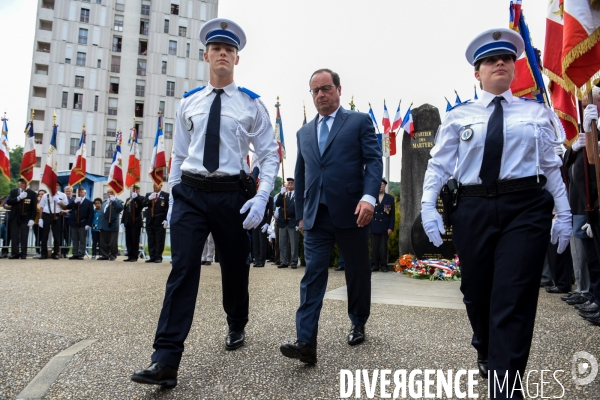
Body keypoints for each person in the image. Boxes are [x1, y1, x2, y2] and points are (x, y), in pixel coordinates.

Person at [420, 28, 572, 397]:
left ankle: (506, 388)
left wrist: (564, 213)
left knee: (514, 296)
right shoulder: (459, 116)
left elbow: (551, 167)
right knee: (476, 292)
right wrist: (428, 205)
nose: (499, 63)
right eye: (490, 60)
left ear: (515, 67)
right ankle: (485, 345)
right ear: (478, 73)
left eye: (506, 58)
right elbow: (439, 166)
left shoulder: (537, 113)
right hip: (473, 207)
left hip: (526, 207)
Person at [131, 18, 279, 388]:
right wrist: (174, 194)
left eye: (229, 50)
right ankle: (165, 359)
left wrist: (262, 197)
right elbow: (179, 155)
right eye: (217, 49)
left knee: (234, 266)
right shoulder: (189, 103)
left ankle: (236, 322)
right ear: (206, 55)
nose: (223, 54)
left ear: (237, 59)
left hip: (232, 195)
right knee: (182, 270)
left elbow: (269, 155)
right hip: (192, 195)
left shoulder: (252, 105)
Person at [279, 68, 382, 364]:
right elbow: (300, 175)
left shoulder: (359, 122)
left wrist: (368, 198)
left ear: (338, 89)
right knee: (312, 276)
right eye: (315, 91)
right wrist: (300, 215)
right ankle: (305, 341)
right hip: (315, 216)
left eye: (326, 88)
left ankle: (358, 320)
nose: (321, 94)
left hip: (353, 212)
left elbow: (374, 162)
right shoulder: (304, 133)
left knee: (357, 271)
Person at [564, 86, 600, 324]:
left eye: (590, 103)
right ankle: (595, 298)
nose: (586, 107)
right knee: (591, 256)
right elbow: (575, 165)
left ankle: (594, 296)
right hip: (584, 205)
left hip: (593, 203)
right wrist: (575, 147)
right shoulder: (587, 130)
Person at [5, 178, 38, 259]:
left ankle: (23, 253)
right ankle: (14, 253)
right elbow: (9, 201)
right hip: (15, 216)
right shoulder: (14, 191)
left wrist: (32, 219)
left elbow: (34, 208)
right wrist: (19, 198)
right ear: (19, 184)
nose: (23, 184)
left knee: (24, 235)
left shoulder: (32, 193)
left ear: (28, 184)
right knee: (14, 235)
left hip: (26, 216)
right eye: (21, 183)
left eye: (24, 183)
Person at [369, 178, 395, 272]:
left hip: (384, 226)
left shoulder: (389, 198)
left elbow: (391, 215)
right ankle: (374, 265)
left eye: (382, 185)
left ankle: (384, 265)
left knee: (383, 248)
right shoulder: (372, 198)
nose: (380, 187)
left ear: (385, 186)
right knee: (375, 247)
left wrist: (391, 227)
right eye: (379, 185)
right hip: (374, 225)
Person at [38, 182, 68, 259]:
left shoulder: (62, 195)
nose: (56, 186)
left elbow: (65, 207)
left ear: (59, 187)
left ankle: (56, 253)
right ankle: (43, 253)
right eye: (54, 185)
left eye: (57, 185)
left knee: (56, 236)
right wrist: (40, 218)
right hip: (46, 215)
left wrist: (58, 201)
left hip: (57, 215)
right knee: (44, 235)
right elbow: (41, 207)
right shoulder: (45, 195)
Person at [142, 183, 169, 263]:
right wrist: (149, 199)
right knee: (151, 240)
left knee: (159, 240)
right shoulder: (149, 194)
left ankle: (158, 257)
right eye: (154, 186)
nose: (155, 187)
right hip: (150, 221)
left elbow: (168, 208)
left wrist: (166, 219)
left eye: (157, 186)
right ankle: (152, 256)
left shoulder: (166, 195)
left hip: (160, 220)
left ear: (161, 186)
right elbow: (143, 205)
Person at [276, 178, 299, 268]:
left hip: (293, 221)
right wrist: (281, 194)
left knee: (293, 243)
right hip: (283, 221)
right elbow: (277, 204)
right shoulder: (283, 195)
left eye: (291, 183)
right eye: (288, 183)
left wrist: (298, 222)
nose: (289, 184)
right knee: (282, 243)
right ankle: (284, 261)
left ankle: (293, 261)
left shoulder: (297, 195)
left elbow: (299, 209)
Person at [65, 187, 94, 260]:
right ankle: (75, 253)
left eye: (81, 192)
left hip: (83, 222)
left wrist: (88, 224)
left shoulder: (89, 202)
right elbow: (67, 207)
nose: (80, 193)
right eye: (79, 192)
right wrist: (74, 202)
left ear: (85, 193)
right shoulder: (75, 201)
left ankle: (81, 253)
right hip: (74, 222)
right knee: (74, 239)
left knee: (82, 239)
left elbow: (91, 214)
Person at [98, 188, 123, 261]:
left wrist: (114, 201)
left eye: (111, 192)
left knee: (113, 241)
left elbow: (120, 208)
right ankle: (105, 255)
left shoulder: (119, 201)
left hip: (112, 224)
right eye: (108, 192)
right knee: (103, 241)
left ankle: (113, 254)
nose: (109, 193)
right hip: (103, 224)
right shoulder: (105, 202)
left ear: (114, 193)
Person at [122, 185, 144, 262]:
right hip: (128, 222)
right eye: (133, 189)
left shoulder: (141, 198)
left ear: (139, 191)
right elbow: (125, 210)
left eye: (136, 189)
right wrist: (122, 221)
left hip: (136, 222)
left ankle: (134, 256)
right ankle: (130, 255)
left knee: (135, 240)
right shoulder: (128, 199)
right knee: (128, 240)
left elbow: (141, 205)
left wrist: (136, 198)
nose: (134, 191)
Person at [60, 186, 74, 258]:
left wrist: (69, 210)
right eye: (66, 191)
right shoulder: (61, 199)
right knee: (61, 236)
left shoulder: (74, 200)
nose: (68, 192)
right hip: (62, 219)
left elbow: (75, 209)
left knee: (68, 237)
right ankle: (61, 251)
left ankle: (66, 251)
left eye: (69, 191)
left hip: (70, 219)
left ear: (72, 192)